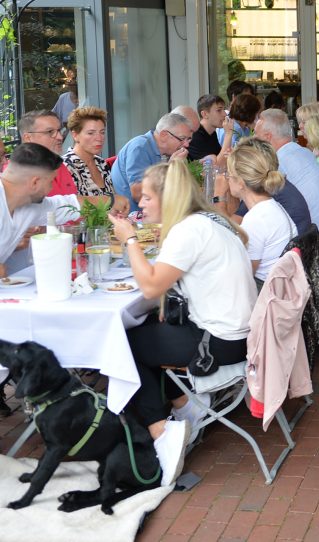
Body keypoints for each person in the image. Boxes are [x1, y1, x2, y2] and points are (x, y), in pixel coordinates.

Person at [109, 160, 256, 487]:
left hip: (219, 344)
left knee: (124, 345)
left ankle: (161, 431)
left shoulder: (188, 230)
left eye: (146, 198)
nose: (140, 204)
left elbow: (149, 286)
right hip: (238, 334)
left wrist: (129, 239)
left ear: (168, 197)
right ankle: (187, 407)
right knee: (146, 330)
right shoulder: (206, 219)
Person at [0, 143, 128, 274]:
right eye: (51, 182)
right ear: (35, 183)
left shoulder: (30, 204)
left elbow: (70, 203)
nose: (51, 189)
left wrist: (111, 200)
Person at [222, 138, 297, 291]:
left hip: (265, 296)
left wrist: (219, 196)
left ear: (241, 183)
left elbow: (243, 278)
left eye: (229, 175)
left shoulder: (256, 220)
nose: (226, 179)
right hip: (281, 288)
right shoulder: (271, 206)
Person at [255, 108, 319, 238]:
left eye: (256, 136)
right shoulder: (304, 152)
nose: (253, 140)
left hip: (306, 244)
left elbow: (257, 206)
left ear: (268, 137)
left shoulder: (278, 163)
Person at [111, 112, 193, 209]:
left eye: (189, 140)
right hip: (134, 217)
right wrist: (171, 167)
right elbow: (138, 195)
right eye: (182, 139)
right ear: (164, 135)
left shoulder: (163, 152)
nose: (187, 145)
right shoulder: (140, 148)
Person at [18, 110, 76, 196]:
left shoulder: (59, 165)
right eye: (50, 132)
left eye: (59, 130)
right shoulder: (17, 175)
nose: (60, 137)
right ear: (28, 138)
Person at [62, 107, 114, 197]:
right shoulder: (65, 166)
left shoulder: (101, 163)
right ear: (75, 135)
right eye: (91, 133)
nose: (99, 138)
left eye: (102, 132)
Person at [187, 94, 234, 164]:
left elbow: (224, 159)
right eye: (219, 110)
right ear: (205, 114)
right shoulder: (195, 135)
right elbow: (216, 166)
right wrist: (228, 134)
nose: (224, 114)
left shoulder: (212, 133)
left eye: (223, 109)